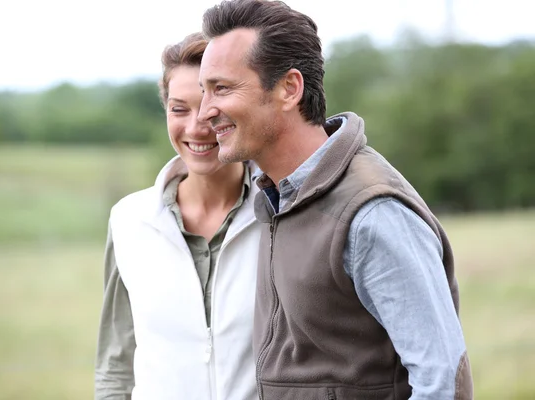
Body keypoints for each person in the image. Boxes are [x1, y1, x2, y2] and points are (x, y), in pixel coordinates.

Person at [197, 1, 474, 399]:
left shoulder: (371, 213)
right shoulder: (277, 196)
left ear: (289, 88)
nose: (206, 112)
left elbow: (443, 382)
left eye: (221, 88)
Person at [95, 32, 261, 400]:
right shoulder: (129, 220)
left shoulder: (280, 214)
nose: (196, 127)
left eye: (210, 107)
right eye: (179, 108)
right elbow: (115, 364)